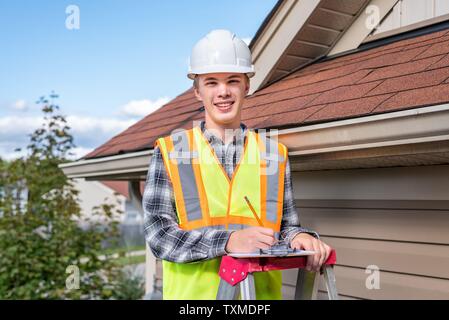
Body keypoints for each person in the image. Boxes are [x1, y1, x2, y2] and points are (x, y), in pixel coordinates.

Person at [143, 29, 331, 300]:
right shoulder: (173, 151)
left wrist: (299, 237)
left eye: (232, 80)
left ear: (246, 86)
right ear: (197, 91)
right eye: (211, 83)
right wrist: (228, 241)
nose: (223, 92)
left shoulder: (273, 154)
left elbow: (285, 226)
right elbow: (159, 236)